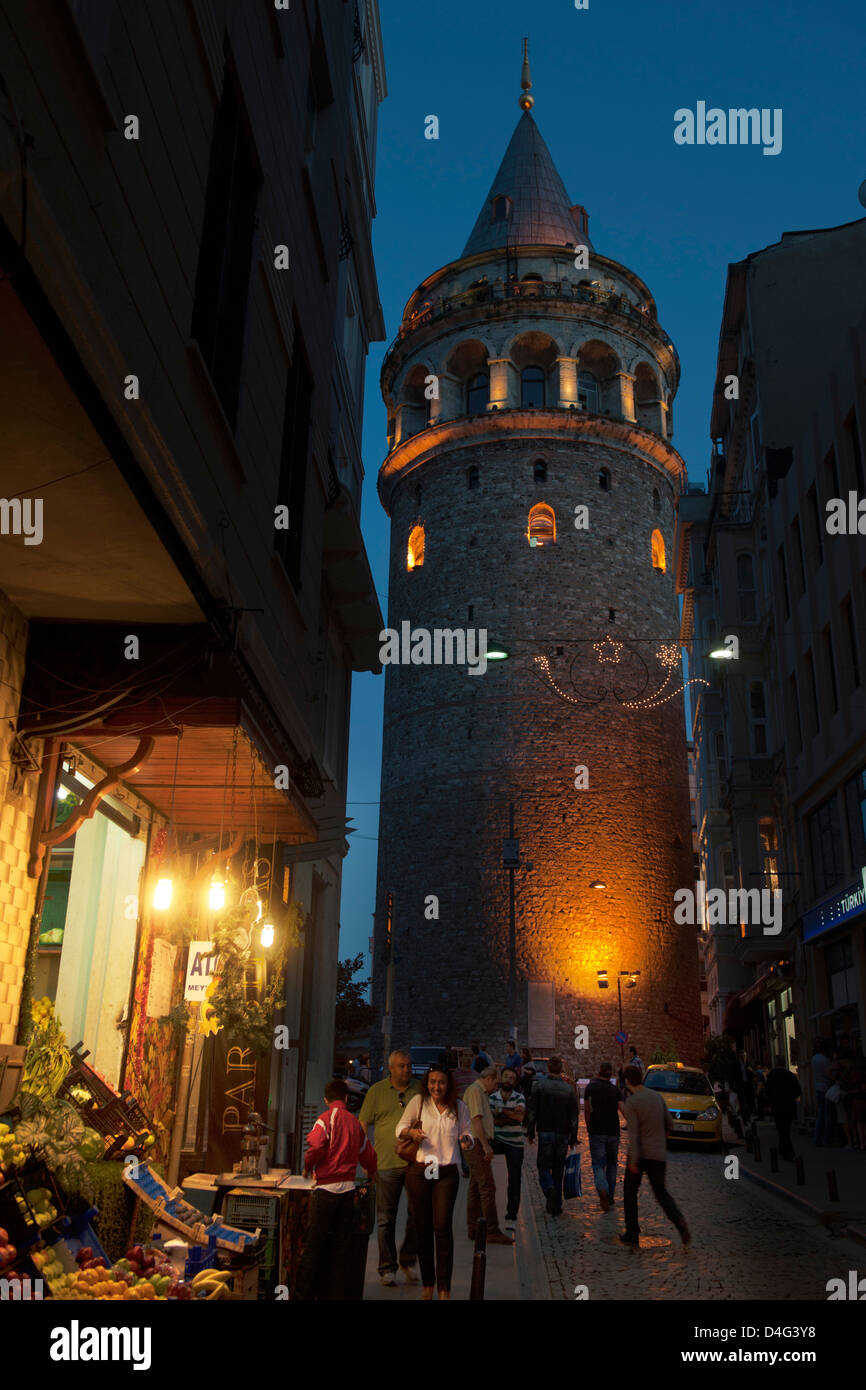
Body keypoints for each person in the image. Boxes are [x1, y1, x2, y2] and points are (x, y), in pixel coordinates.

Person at [396, 1066, 473, 1300]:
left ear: (448, 1084)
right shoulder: (419, 1102)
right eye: (432, 1082)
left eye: (441, 1082)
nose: (436, 1087)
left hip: (447, 1170)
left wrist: (466, 1140)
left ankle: (444, 1289)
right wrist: (411, 1133)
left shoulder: (458, 1107)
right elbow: (399, 1128)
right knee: (423, 1227)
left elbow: (468, 1134)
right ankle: (428, 1285)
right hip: (423, 1169)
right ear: (426, 1083)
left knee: (442, 1227)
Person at [295, 1079, 377, 1299]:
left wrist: (307, 1167)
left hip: (325, 1191)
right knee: (341, 1250)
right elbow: (368, 1154)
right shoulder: (354, 1123)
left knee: (314, 1246)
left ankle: (304, 1295)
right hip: (348, 1193)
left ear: (326, 1100)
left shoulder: (324, 1120)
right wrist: (372, 1171)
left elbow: (316, 1147)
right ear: (347, 1099)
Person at [358, 1049, 421, 1286]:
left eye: (409, 1065)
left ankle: (408, 1258)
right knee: (386, 1218)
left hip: (415, 1162)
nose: (406, 1070)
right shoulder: (377, 1091)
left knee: (417, 1214)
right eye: (402, 1066)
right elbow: (363, 1122)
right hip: (385, 1163)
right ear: (391, 1068)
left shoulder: (418, 1089)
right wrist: (365, 1158)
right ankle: (387, 1267)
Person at [620, 1064, 689, 1247]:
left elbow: (633, 1135)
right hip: (658, 1154)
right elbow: (670, 1125)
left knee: (630, 1192)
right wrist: (659, 1139)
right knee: (661, 1192)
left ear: (627, 1081)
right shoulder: (657, 1097)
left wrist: (633, 1161)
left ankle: (632, 1232)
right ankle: (679, 1220)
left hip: (640, 1155)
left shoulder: (633, 1102)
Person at [463, 1066, 513, 1243]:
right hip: (476, 1142)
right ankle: (491, 1230)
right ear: (489, 1079)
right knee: (487, 1186)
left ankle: (473, 1228)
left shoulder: (477, 1091)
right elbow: (476, 1120)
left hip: (474, 1142)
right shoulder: (476, 1091)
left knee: (476, 1187)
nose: (496, 1087)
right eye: (496, 1083)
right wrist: (485, 1146)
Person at [526, 1055, 579, 1217]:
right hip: (563, 1133)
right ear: (561, 1069)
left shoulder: (540, 1086)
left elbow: (532, 1111)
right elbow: (574, 1117)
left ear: (548, 1067)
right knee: (558, 1168)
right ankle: (556, 1205)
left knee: (543, 1165)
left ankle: (549, 1189)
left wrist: (530, 1131)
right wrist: (573, 1137)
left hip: (545, 1131)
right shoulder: (569, 1089)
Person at [584, 1061, 625, 1212]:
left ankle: (602, 1189)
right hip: (613, 1132)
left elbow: (587, 1110)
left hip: (597, 1131)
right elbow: (622, 1109)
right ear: (611, 1073)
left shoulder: (591, 1087)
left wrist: (589, 1126)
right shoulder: (615, 1091)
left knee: (598, 1164)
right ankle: (610, 1196)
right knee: (612, 1164)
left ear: (599, 1071)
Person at [489, 1067, 526, 1229]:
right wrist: (510, 1116)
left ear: (515, 1081)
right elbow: (491, 1121)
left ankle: (512, 1215)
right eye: (505, 1077)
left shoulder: (520, 1097)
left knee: (515, 1179)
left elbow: (520, 1117)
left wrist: (501, 1112)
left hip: (515, 1143)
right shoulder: (491, 1097)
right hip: (496, 1140)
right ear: (500, 1078)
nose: (508, 1080)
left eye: (511, 1078)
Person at [764, 1055, 801, 1161]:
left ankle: (789, 1152)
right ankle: (783, 1150)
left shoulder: (771, 1076)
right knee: (785, 1129)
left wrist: (770, 1103)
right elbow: (798, 1092)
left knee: (782, 1129)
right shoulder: (791, 1075)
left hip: (777, 1107)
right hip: (789, 1106)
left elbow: (767, 1092)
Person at [811, 1038, 833, 1147]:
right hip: (827, 1088)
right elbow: (829, 1073)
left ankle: (817, 1138)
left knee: (820, 1114)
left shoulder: (814, 1058)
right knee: (828, 1115)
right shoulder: (826, 1060)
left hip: (818, 1088)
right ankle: (827, 1138)